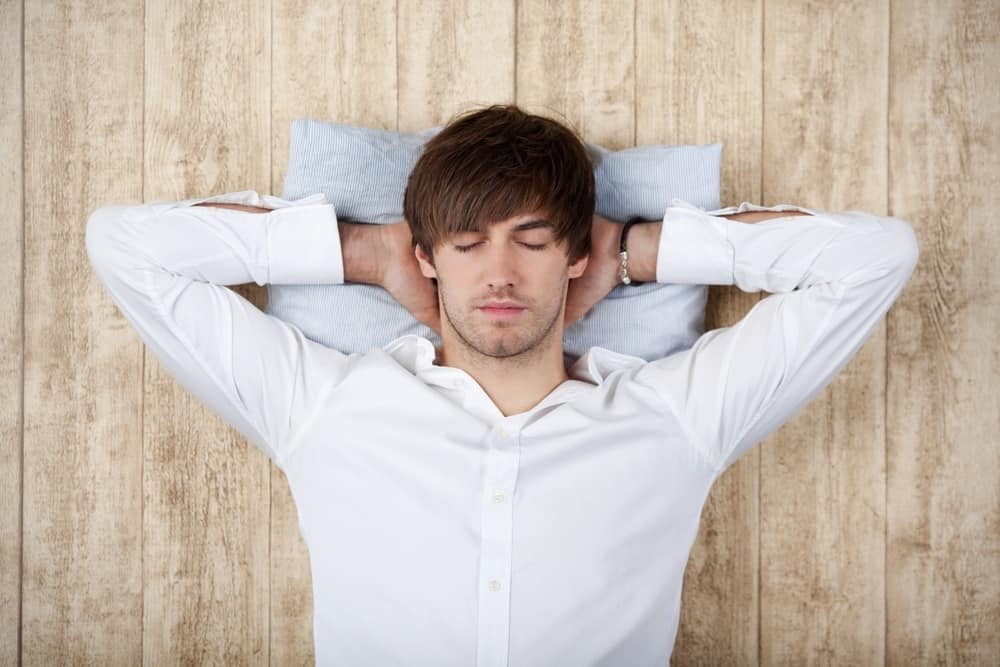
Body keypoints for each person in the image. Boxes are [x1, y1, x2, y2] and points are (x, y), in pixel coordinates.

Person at [85, 104, 919, 666]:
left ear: (574, 255)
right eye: (466, 242)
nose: (500, 274)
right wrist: (364, 255)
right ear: (429, 258)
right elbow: (126, 246)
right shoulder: (325, 405)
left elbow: (874, 259)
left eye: (532, 239)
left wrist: (640, 252)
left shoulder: (675, 415)